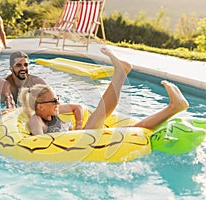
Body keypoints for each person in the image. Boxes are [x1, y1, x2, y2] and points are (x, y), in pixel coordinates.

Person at [19, 47, 189, 135]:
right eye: (54, 101)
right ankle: (120, 74)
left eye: (58, 98)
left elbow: (77, 107)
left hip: (82, 135)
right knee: (103, 112)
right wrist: (77, 132)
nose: (58, 103)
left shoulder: (53, 111)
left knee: (135, 127)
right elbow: (39, 145)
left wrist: (78, 125)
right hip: (78, 142)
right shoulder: (36, 121)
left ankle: (174, 107)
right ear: (40, 106)